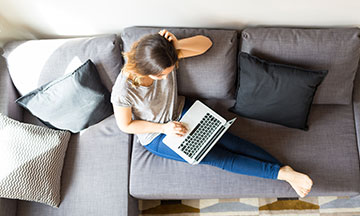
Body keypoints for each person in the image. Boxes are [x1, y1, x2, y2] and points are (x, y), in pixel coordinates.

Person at [111, 29, 313, 198]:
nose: (167, 76)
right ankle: (281, 173)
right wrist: (165, 128)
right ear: (149, 71)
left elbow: (205, 44)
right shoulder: (123, 91)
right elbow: (126, 125)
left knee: (230, 140)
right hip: (157, 134)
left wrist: (177, 44)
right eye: (164, 74)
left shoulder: (160, 56)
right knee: (220, 157)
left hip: (182, 110)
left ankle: (286, 172)